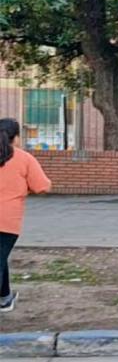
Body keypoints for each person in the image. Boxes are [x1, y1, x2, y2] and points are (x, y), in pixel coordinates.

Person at [0, 118, 52, 312]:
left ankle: (5, 299)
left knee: (1, 258)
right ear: (16, 138)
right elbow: (42, 186)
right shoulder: (23, 158)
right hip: (7, 221)